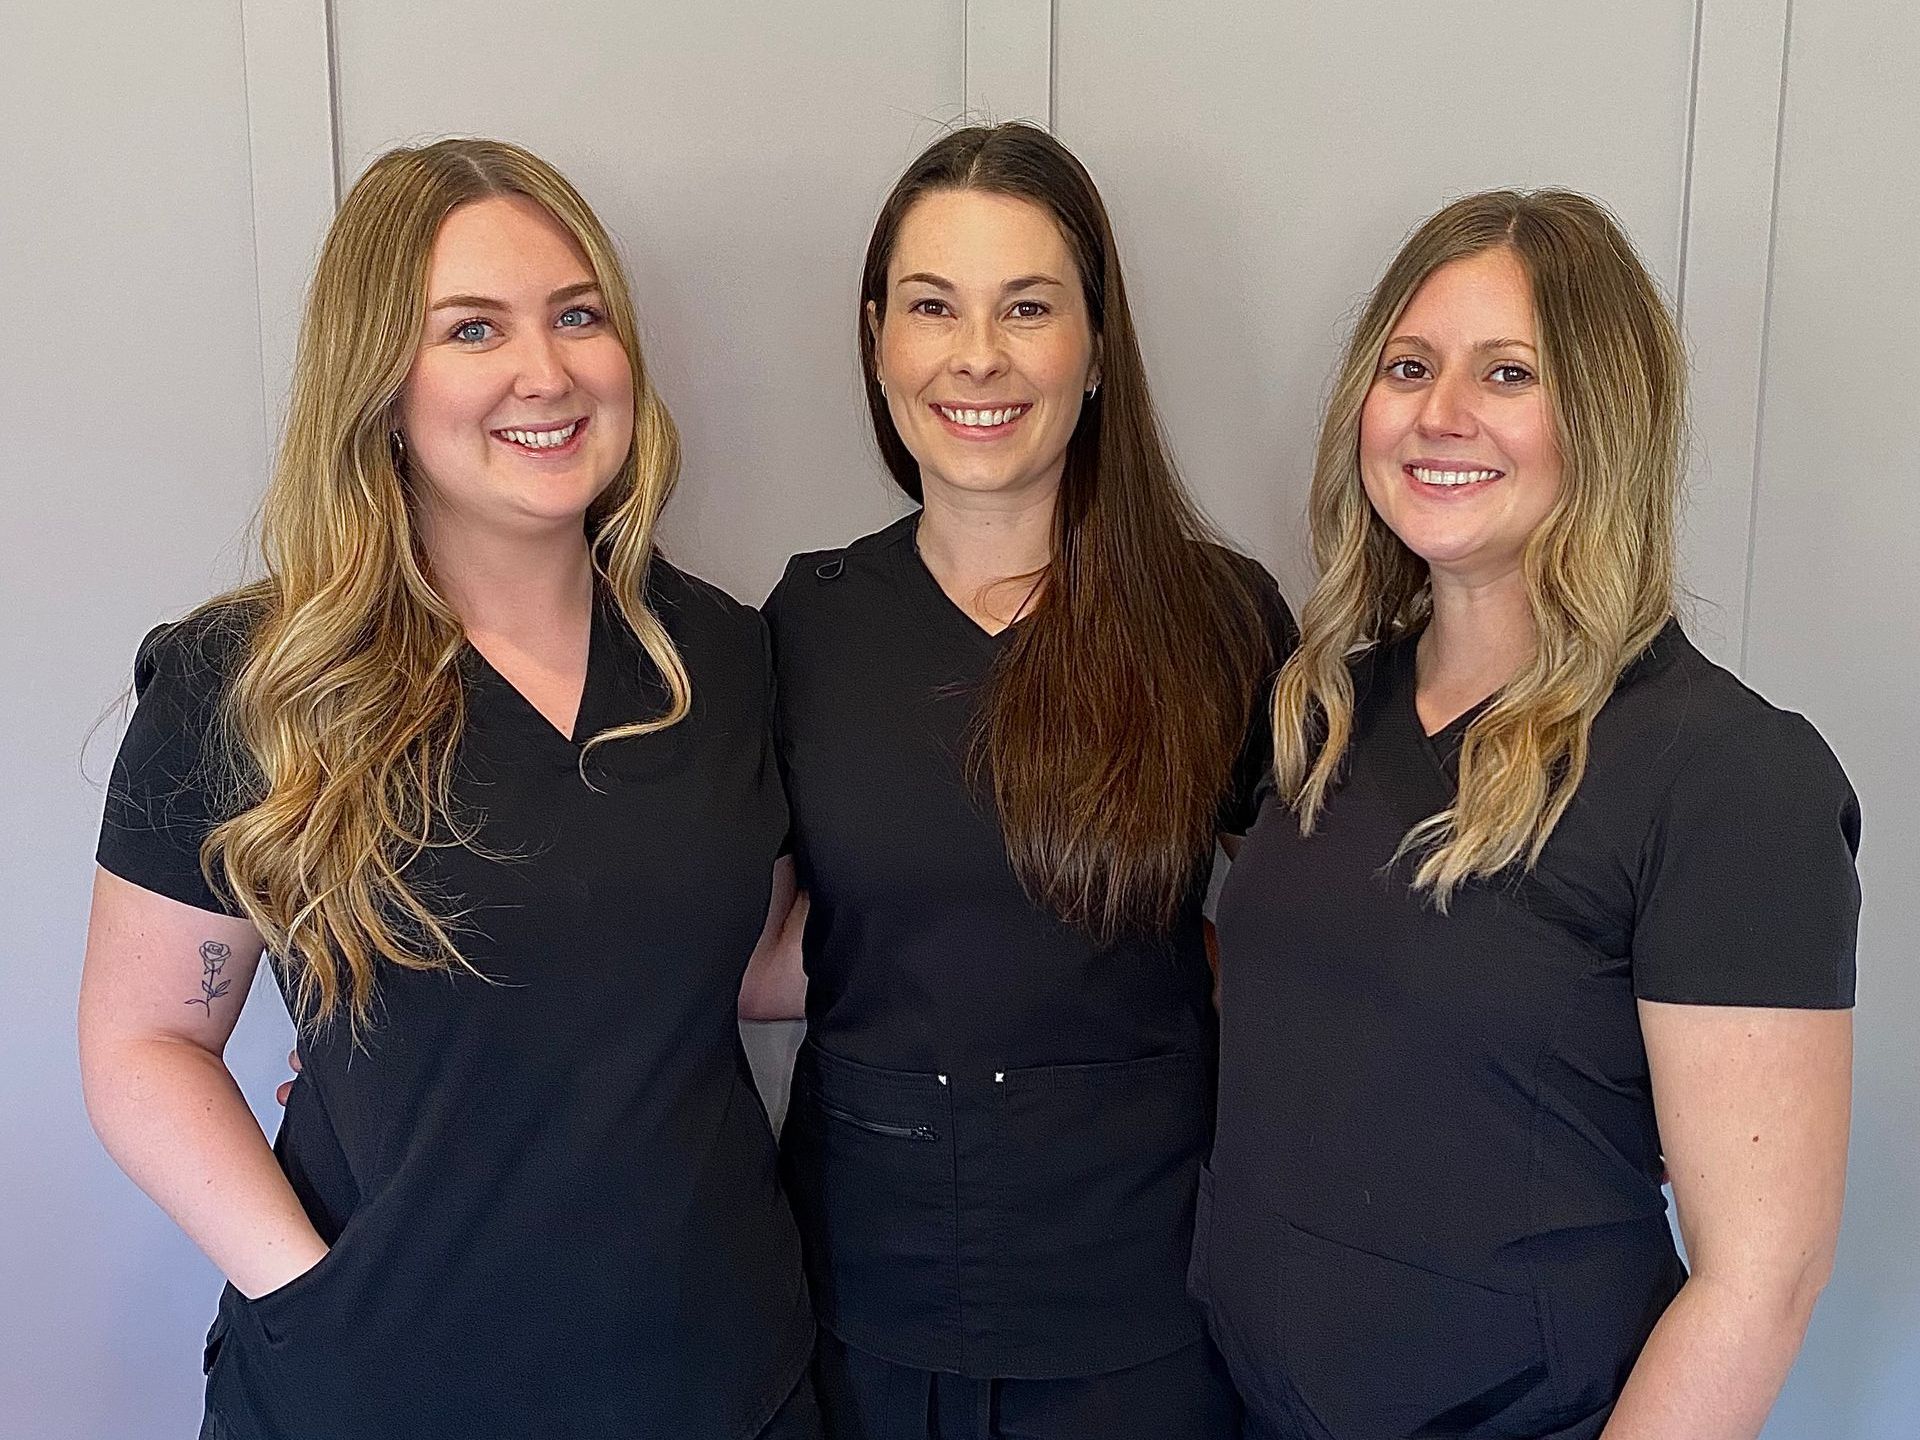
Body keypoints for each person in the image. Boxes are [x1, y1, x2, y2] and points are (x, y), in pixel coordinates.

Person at [77, 139, 818, 1440]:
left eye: (578, 315)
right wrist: (311, 1296)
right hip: (378, 1390)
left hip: (714, 1377)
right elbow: (145, 1041)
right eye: (474, 328)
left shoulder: (720, 655)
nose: (548, 370)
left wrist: (1031, 898)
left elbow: (750, 957)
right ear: (382, 381)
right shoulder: (250, 680)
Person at [1195, 190, 1860, 1439]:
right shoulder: (1324, 711)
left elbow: (1760, 1283)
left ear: (1602, 420)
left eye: (1508, 373)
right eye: (1408, 367)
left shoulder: (1729, 780)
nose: (1439, 414)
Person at [745, 122, 1295, 1438]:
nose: (977, 354)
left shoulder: (1216, 618)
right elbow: (750, 950)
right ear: (878, 337)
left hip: (1148, 1318)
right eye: (933, 306)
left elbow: (1323, 943)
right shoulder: (805, 624)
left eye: (1028, 308)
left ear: (1097, 347)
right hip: (859, 1307)